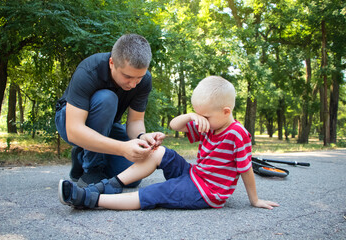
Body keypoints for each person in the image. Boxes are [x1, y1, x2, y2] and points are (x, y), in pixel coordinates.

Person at [58, 76, 279, 210]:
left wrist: (255, 200)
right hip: (194, 175)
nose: (201, 121)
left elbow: (246, 169)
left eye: (205, 116)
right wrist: (192, 116)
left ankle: (90, 199)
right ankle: (109, 186)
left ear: (226, 112)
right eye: (198, 115)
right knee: (159, 152)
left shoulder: (237, 134)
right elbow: (175, 125)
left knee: (156, 192)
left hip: (206, 192)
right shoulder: (210, 124)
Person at [55, 34, 165, 188]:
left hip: (108, 125)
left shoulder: (144, 80)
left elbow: (135, 121)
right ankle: (92, 169)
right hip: (69, 120)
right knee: (106, 98)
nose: (133, 84)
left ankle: (81, 157)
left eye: (138, 77)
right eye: (127, 76)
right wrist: (122, 148)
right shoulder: (89, 70)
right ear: (112, 63)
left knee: (132, 177)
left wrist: (142, 137)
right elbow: (74, 130)